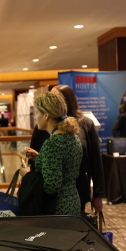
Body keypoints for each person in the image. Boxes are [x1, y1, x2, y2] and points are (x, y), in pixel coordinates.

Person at [20, 92, 83, 215]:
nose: (35, 117)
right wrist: (41, 157)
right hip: (73, 202)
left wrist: (27, 175)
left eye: (37, 113)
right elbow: (64, 165)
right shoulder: (73, 137)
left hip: (57, 208)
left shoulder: (52, 143)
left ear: (46, 115)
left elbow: (51, 186)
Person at [53, 85, 106, 214]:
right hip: (51, 190)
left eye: (56, 97)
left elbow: (96, 161)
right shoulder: (47, 123)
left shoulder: (85, 124)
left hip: (78, 189)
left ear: (67, 100)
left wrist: (98, 194)